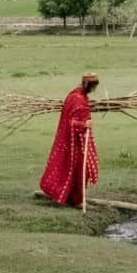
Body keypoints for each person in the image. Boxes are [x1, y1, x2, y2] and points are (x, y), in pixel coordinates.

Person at [40, 71, 100, 206]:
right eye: (92, 86)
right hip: (74, 141)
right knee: (79, 169)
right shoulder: (76, 98)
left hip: (80, 139)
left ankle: (73, 198)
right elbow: (71, 122)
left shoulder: (82, 96)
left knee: (79, 169)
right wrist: (84, 124)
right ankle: (77, 200)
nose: (93, 90)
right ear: (86, 84)